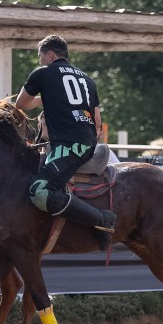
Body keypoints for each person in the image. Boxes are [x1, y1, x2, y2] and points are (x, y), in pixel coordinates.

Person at [14, 34, 116, 249]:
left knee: (39, 191)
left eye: (40, 56)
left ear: (50, 54)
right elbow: (97, 120)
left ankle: (101, 219)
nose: (40, 61)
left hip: (69, 145)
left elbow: (21, 104)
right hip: (87, 142)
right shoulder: (87, 79)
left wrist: (46, 95)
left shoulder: (43, 73)